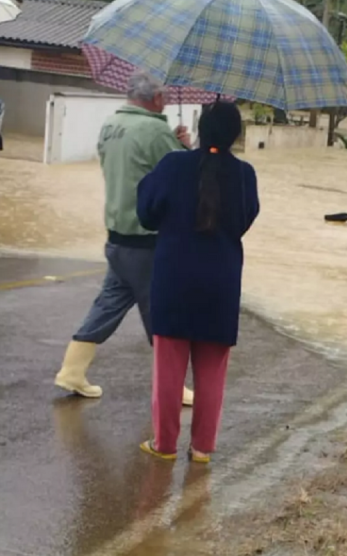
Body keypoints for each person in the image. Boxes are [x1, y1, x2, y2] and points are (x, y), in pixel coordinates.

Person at [53, 71, 195, 407]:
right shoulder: (155, 129)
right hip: (147, 240)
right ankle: (172, 386)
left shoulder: (111, 125)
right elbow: (184, 177)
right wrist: (186, 146)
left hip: (118, 236)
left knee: (108, 303)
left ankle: (72, 371)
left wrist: (172, 144)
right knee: (161, 314)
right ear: (157, 99)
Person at [136, 102, 259, 462]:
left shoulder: (174, 164)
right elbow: (243, 221)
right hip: (220, 283)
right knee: (212, 373)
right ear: (236, 136)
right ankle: (203, 448)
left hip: (174, 279)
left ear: (200, 129)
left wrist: (178, 153)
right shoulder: (245, 175)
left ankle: (165, 445)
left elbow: (145, 213)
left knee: (168, 370)